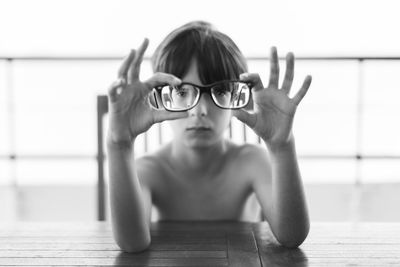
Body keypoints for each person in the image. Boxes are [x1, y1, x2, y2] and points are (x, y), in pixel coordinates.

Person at [107, 21, 312, 253]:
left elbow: (292, 236)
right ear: (160, 97)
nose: (200, 110)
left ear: (236, 96)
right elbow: (132, 243)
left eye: (220, 90)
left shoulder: (252, 161)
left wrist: (282, 146)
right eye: (182, 92)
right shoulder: (147, 170)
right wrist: (119, 145)